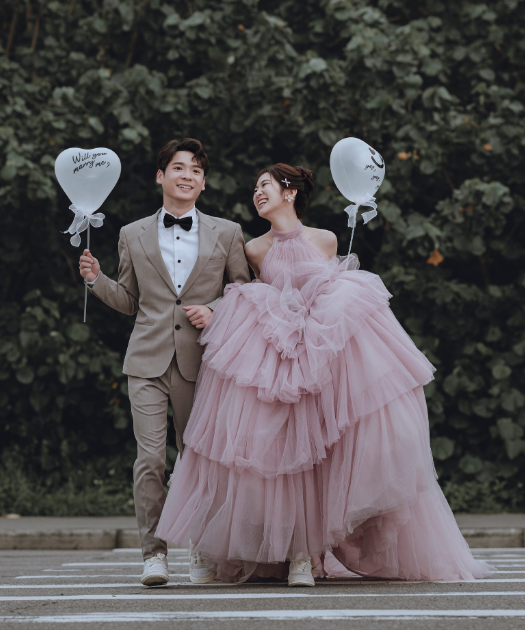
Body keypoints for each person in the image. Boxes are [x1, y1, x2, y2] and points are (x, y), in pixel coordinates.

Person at [156, 163, 496, 585]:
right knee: (278, 450)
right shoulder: (254, 248)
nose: (257, 193)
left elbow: (332, 290)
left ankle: (307, 553)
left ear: (289, 192)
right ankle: (287, 552)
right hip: (279, 353)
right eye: (255, 187)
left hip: (321, 351)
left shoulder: (326, 238)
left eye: (264, 186)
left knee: (332, 445)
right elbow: (255, 296)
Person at [78, 138, 251, 587]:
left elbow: (244, 290)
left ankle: (203, 548)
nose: (187, 175)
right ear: (161, 176)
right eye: (178, 167)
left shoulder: (228, 232)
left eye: (196, 169)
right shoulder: (131, 233)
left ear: (204, 183)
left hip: (205, 361)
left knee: (198, 460)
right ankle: (153, 555)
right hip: (146, 361)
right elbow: (130, 300)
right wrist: (96, 281)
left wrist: (213, 309)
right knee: (151, 459)